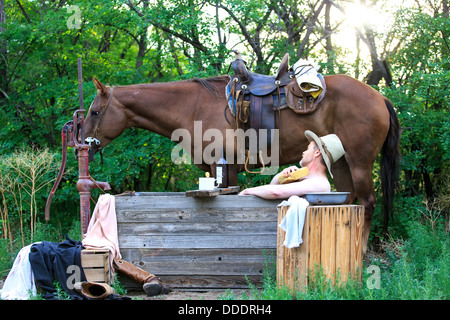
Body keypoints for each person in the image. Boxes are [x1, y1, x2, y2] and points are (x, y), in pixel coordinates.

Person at [239, 130, 345, 199]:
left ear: (317, 153)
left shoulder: (320, 183)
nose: (303, 152)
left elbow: (275, 192)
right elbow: (272, 188)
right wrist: (280, 176)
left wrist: (247, 191)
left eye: (307, 149)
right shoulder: (306, 179)